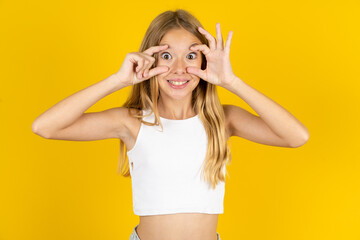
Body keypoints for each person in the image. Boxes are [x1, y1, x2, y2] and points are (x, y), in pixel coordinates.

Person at [31, 9, 309, 240]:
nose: (178, 68)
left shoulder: (223, 120)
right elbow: (45, 127)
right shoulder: (132, 122)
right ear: (149, 60)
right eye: (166, 55)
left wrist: (232, 82)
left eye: (190, 56)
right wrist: (117, 80)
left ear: (204, 62)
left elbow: (297, 136)